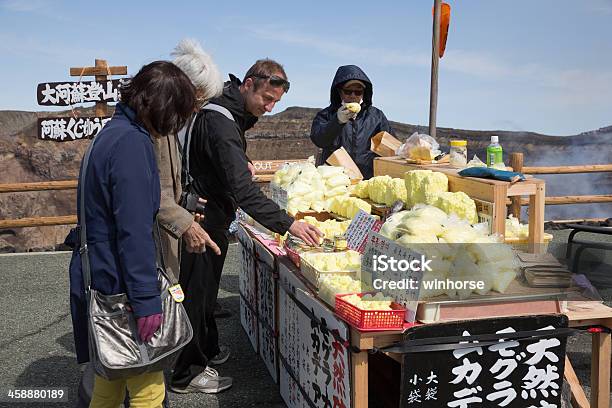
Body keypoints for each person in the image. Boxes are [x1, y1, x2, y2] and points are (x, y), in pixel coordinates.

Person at [170, 59, 322, 394]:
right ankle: (187, 372)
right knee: (196, 292)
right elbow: (243, 191)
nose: (269, 108)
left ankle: (206, 348)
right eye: (266, 99)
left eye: (275, 103)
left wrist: (244, 161)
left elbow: (226, 159)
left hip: (211, 210)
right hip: (202, 217)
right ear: (249, 83)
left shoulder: (227, 109)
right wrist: (288, 225)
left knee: (207, 290)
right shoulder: (223, 122)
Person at [68, 61, 197, 408]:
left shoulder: (110, 133)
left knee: (110, 378)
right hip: (121, 284)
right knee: (148, 388)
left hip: (99, 274)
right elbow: (134, 231)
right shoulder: (132, 144)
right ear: (164, 108)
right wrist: (145, 300)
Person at [310, 65, 394, 179]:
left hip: (366, 180)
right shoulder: (326, 115)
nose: (353, 96)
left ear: (364, 93)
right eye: (348, 91)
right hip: (335, 183)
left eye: (358, 92)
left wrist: (409, 149)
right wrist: (337, 121)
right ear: (340, 92)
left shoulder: (376, 116)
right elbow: (319, 139)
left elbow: (391, 145)